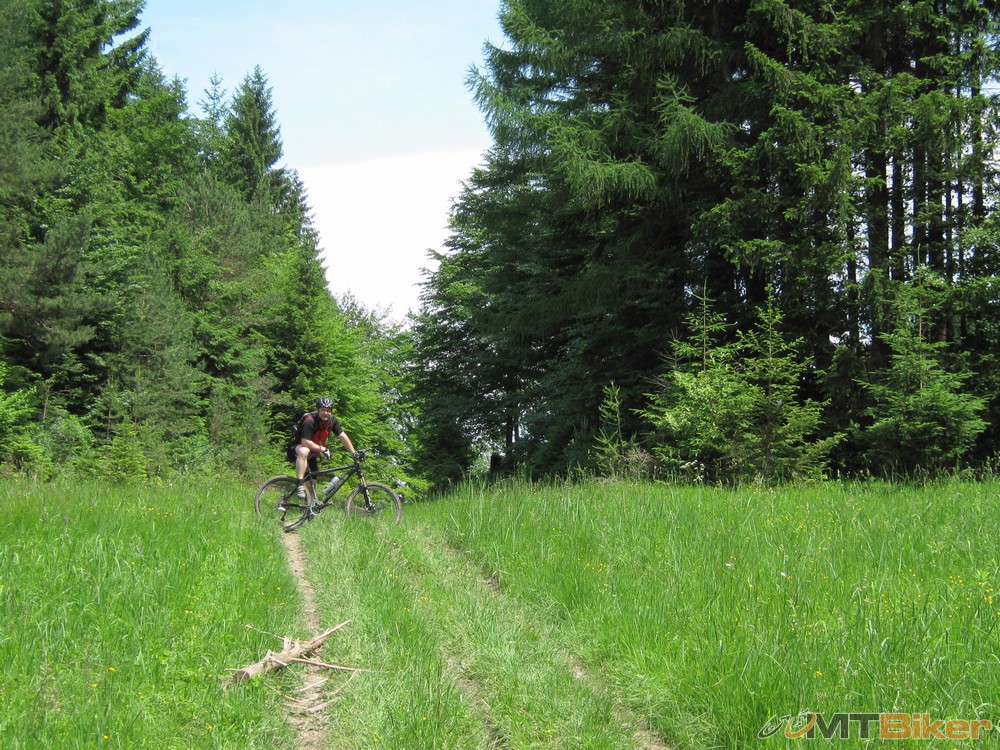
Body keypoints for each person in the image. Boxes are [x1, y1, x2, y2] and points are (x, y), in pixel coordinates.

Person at [287, 396, 359, 498]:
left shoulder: (331, 421)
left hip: (312, 453)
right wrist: (323, 449)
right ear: (318, 410)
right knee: (304, 450)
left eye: (328, 410)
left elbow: (342, 436)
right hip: (296, 449)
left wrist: (354, 453)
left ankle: (310, 506)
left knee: (312, 484)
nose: (326, 413)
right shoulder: (310, 420)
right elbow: (305, 442)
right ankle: (299, 485)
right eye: (323, 410)